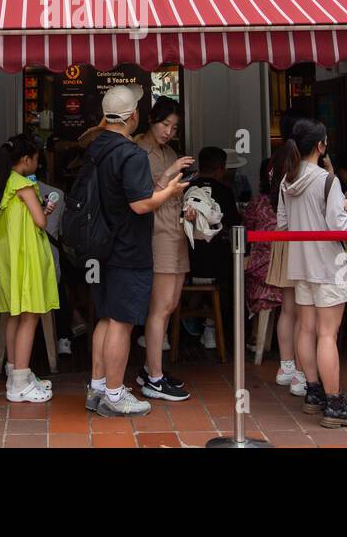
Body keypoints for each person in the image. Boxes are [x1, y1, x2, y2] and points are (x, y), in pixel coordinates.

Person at [87, 85, 189, 417]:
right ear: (134, 117)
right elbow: (141, 204)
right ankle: (115, 394)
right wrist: (168, 189)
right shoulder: (129, 153)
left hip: (103, 245)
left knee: (107, 317)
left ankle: (98, 387)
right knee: (122, 321)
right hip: (128, 247)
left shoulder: (97, 145)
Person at [276, 117, 347, 428]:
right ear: (320, 146)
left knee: (306, 330)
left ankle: (313, 392)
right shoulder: (327, 181)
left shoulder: (287, 179)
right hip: (328, 265)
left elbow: (283, 225)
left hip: (300, 266)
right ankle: (335, 401)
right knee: (328, 334)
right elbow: (338, 227)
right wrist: (346, 213)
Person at [0, 134, 60, 403]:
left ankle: (13, 372)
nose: (38, 164)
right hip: (26, 259)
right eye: (36, 159)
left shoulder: (3, 184)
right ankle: (20, 380)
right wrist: (45, 210)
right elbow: (40, 221)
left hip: (9, 262)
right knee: (30, 316)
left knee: (13, 316)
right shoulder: (24, 186)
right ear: (26, 160)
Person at [133, 97, 194, 402]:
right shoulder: (137, 152)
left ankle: (150, 369)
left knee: (170, 306)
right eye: (164, 124)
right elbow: (145, 196)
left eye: (174, 127)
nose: (169, 131)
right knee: (159, 307)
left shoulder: (169, 151)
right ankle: (154, 378)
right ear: (151, 121)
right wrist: (171, 170)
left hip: (178, 232)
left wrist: (191, 209)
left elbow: (174, 196)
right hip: (157, 235)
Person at [268, 111, 310, 397]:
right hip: (303, 238)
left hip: (282, 236)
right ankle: (300, 374)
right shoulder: (306, 165)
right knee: (304, 310)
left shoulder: (275, 159)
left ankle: (286, 366)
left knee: (287, 308)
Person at [190, 146, 243, 352]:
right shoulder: (224, 191)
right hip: (217, 267)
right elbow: (235, 224)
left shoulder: (186, 188)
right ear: (220, 169)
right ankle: (213, 326)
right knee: (229, 280)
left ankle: (180, 326)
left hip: (188, 263)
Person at [242, 159, 284, 330]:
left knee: (243, 271)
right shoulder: (293, 202)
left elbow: (246, 229)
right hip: (289, 268)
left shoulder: (258, 203)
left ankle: (256, 335)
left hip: (262, 269)